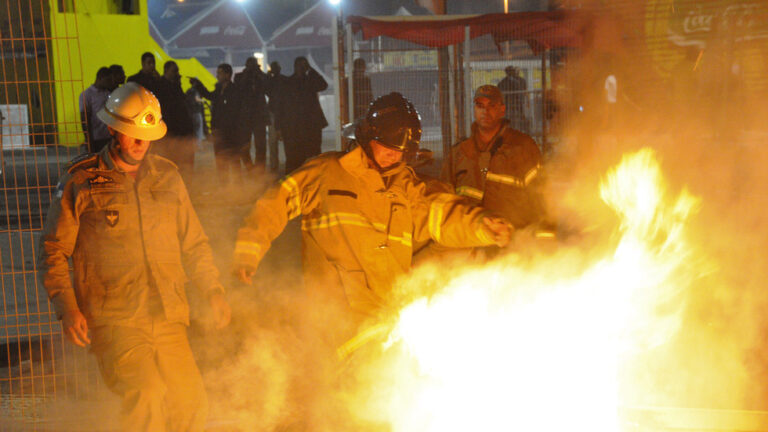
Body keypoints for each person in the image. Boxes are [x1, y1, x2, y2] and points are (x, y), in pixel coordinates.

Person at [37, 82, 231, 432]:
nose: (141, 143)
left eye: (147, 135)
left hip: (168, 315)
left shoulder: (168, 177)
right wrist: (67, 307)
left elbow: (194, 243)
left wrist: (213, 290)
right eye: (133, 134)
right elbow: (53, 249)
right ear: (112, 129)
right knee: (147, 394)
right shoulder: (83, 180)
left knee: (191, 401)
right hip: (116, 319)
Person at [234, 92, 512, 326]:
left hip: (387, 312)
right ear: (368, 136)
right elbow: (276, 202)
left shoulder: (405, 187)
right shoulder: (327, 173)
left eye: (402, 151)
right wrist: (249, 250)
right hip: (335, 314)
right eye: (388, 147)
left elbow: (443, 214)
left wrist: (482, 225)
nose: (395, 155)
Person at [442, 85, 544, 230]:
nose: (485, 111)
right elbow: (444, 200)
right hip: (470, 239)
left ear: (502, 110)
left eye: (491, 105)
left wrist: (538, 235)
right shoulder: (459, 153)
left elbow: (540, 196)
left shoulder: (523, 147)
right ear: (474, 110)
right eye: (480, 106)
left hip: (512, 238)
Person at [190, 64, 244, 185]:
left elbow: (236, 113)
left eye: (220, 73)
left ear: (227, 75)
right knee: (221, 161)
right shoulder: (219, 89)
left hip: (231, 133)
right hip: (219, 132)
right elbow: (209, 96)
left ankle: (238, 187)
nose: (217, 75)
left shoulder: (235, 90)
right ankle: (224, 186)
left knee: (234, 161)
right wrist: (198, 85)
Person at [283, 56, 328, 174]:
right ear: (295, 67)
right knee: (298, 155)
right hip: (298, 124)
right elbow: (284, 105)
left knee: (314, 152)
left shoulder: (310, 80)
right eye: (301, 66)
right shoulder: (289, 82)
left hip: (311, 123)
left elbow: (323, 85)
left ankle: (314, 174)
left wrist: (311, 70)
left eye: (304, 66)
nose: (302, 68)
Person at [155, 60, 196, 176]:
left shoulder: (175, 85)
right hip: (172, 130)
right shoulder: (161, 86)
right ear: (166, 71)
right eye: (174, 71)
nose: (177, 74)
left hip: (180, 130)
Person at [233, 57, 269, 172]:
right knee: (244, 145)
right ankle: (249, 167)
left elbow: (268, 86)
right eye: (250, 65)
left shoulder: (260, 76)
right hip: (245, 116)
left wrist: (259, 73)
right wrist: (247, 74)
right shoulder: (239, 76)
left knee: (261, 145)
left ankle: (260, 169)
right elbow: (239, 89)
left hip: (259, 116)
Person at [79, 67, 113, 153]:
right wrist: (88, 139)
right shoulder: (87, 94)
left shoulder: (108, 93)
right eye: (108, 80)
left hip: (108, 136)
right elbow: (84, 118)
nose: (110, 83)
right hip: (96, 137)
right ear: (100, 78)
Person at [265, 61, 290, 172]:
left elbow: (267, 91)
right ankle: (288, 163)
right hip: (283, 112)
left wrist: (268, 77)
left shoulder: (271, 81)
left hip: (274, 112)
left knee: (273, 141)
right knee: (285, 140)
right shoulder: (285, 80)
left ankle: (274, 165)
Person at [498, 66, 528, 133]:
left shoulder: (502, 82)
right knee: (515, 121)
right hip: (514, 105)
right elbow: (519, 95)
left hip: (507, 105)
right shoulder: (517, 82)